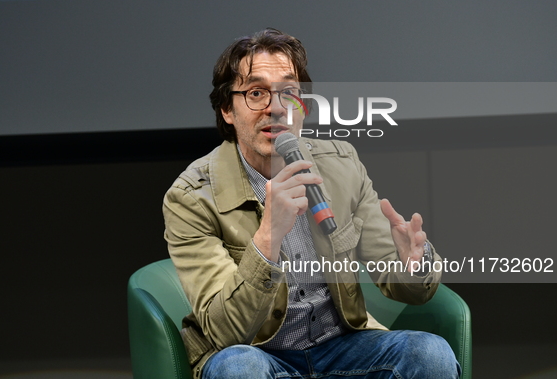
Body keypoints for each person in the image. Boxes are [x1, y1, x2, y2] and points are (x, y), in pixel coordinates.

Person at [163, 28, 461, 378]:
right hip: (259, 355)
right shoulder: (191, 197)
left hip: (342, 347)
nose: (275, 108)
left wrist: (413, 264)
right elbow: (224, 332)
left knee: (430, 353)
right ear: (227, 109)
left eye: (289, 92)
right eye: (256, 93)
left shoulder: (341, 163)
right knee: (238, 368)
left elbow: (400, 282)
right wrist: (267, 238)